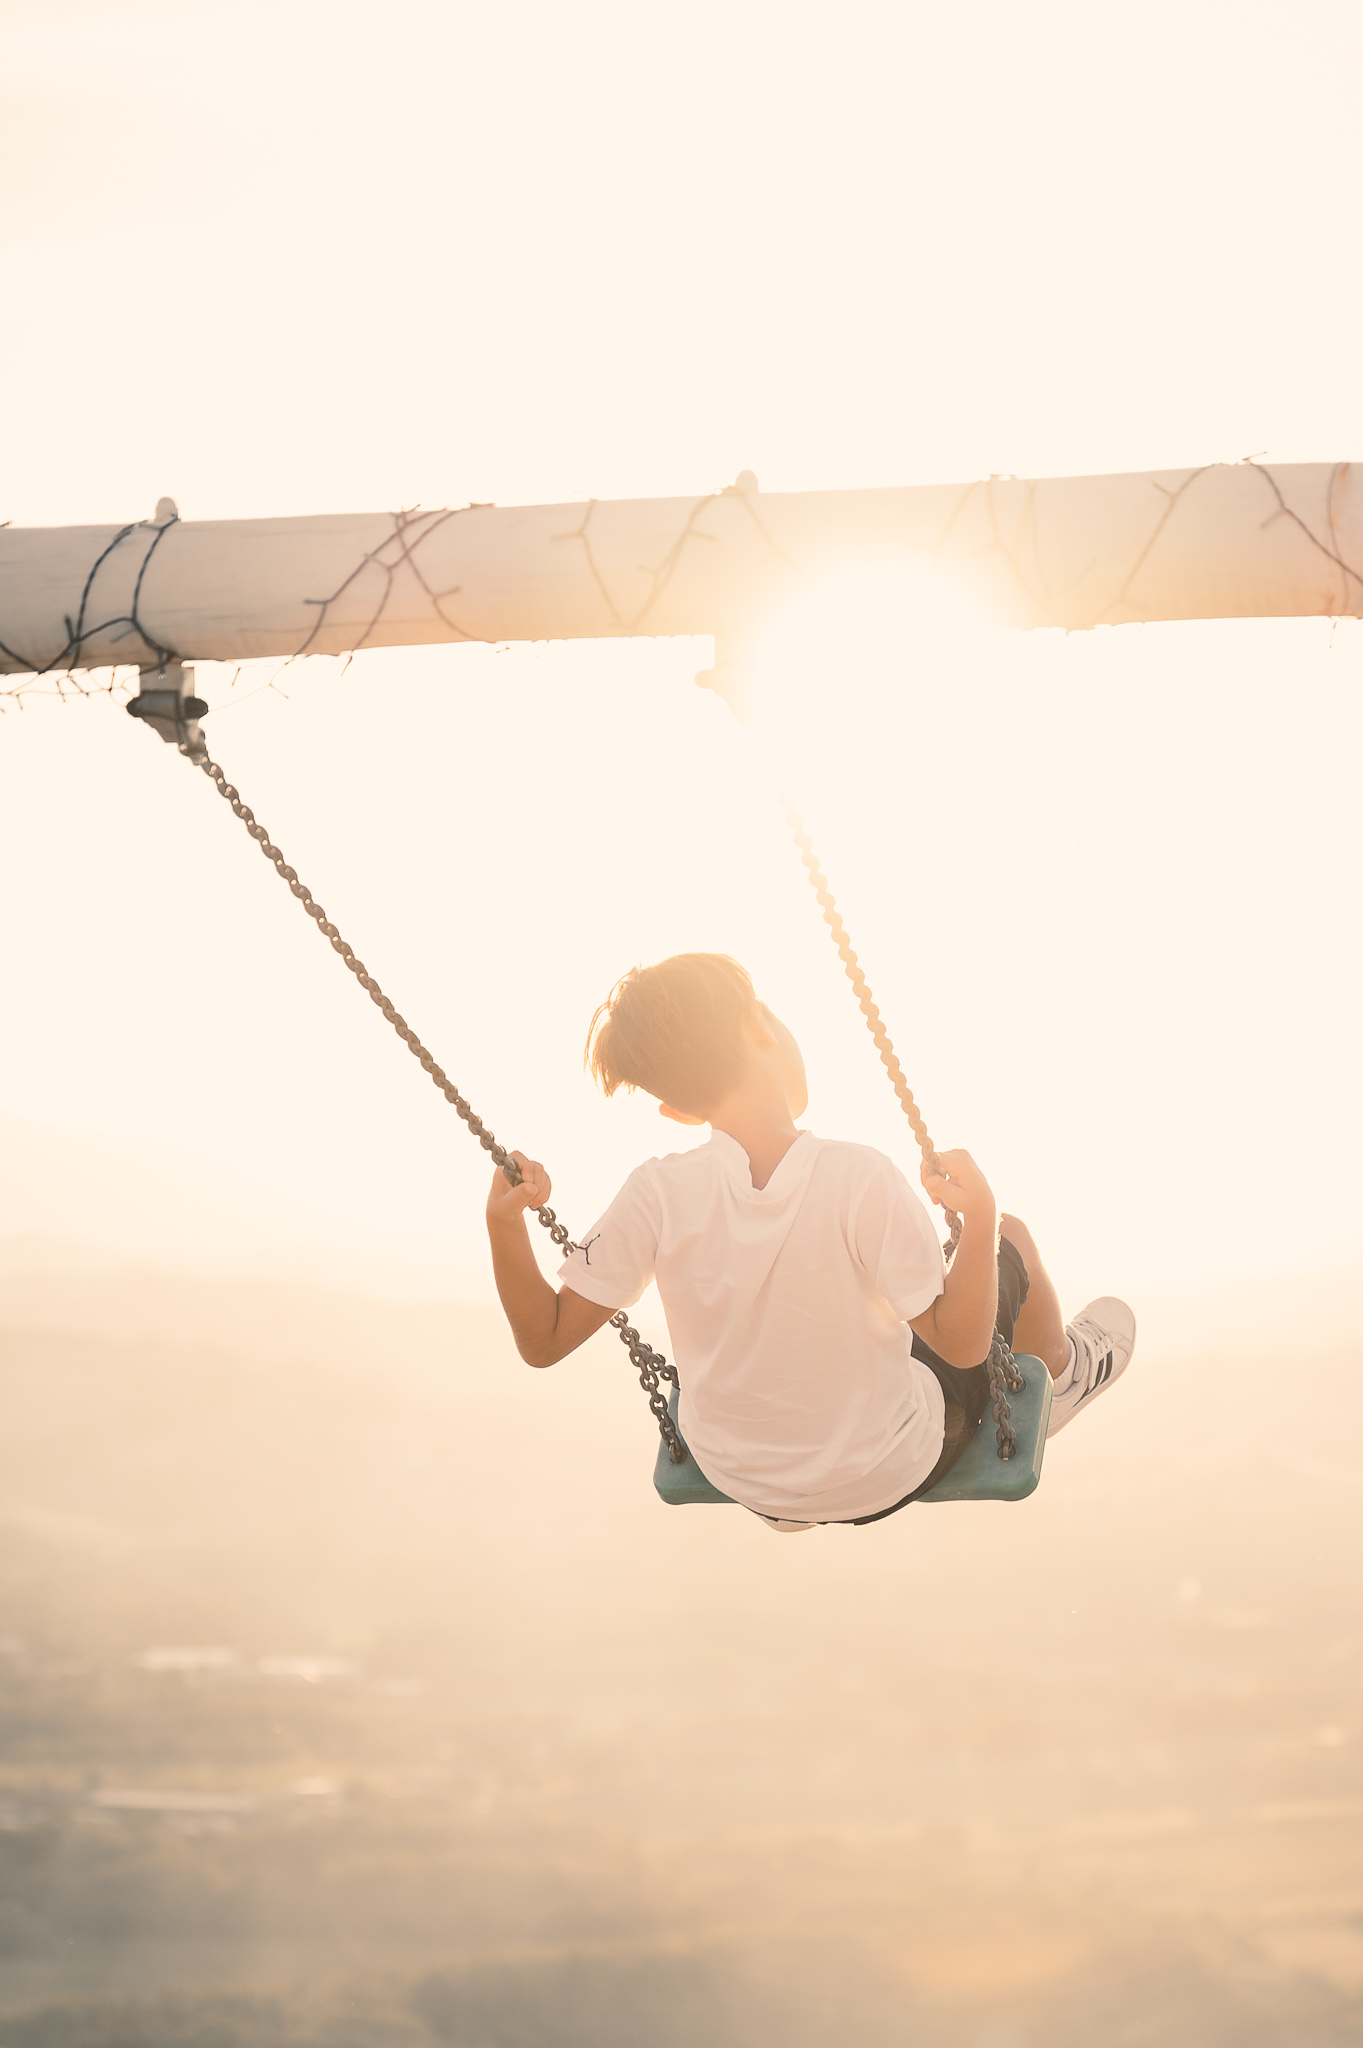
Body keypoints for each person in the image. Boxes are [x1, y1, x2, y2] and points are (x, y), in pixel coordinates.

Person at [485, 952, 1135, 1531]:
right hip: (887, 1467)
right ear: (759, 1026)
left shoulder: (654, 1193)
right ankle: (1064, 1371)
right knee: (1005, 1240)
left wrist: (503, 1221)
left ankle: (796, 1461)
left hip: (747, 1480)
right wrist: (982, 1211)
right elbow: (963, 1347)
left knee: (860, 1300)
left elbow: (542, 1342)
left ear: (675, 1111)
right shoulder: (858, 1177)